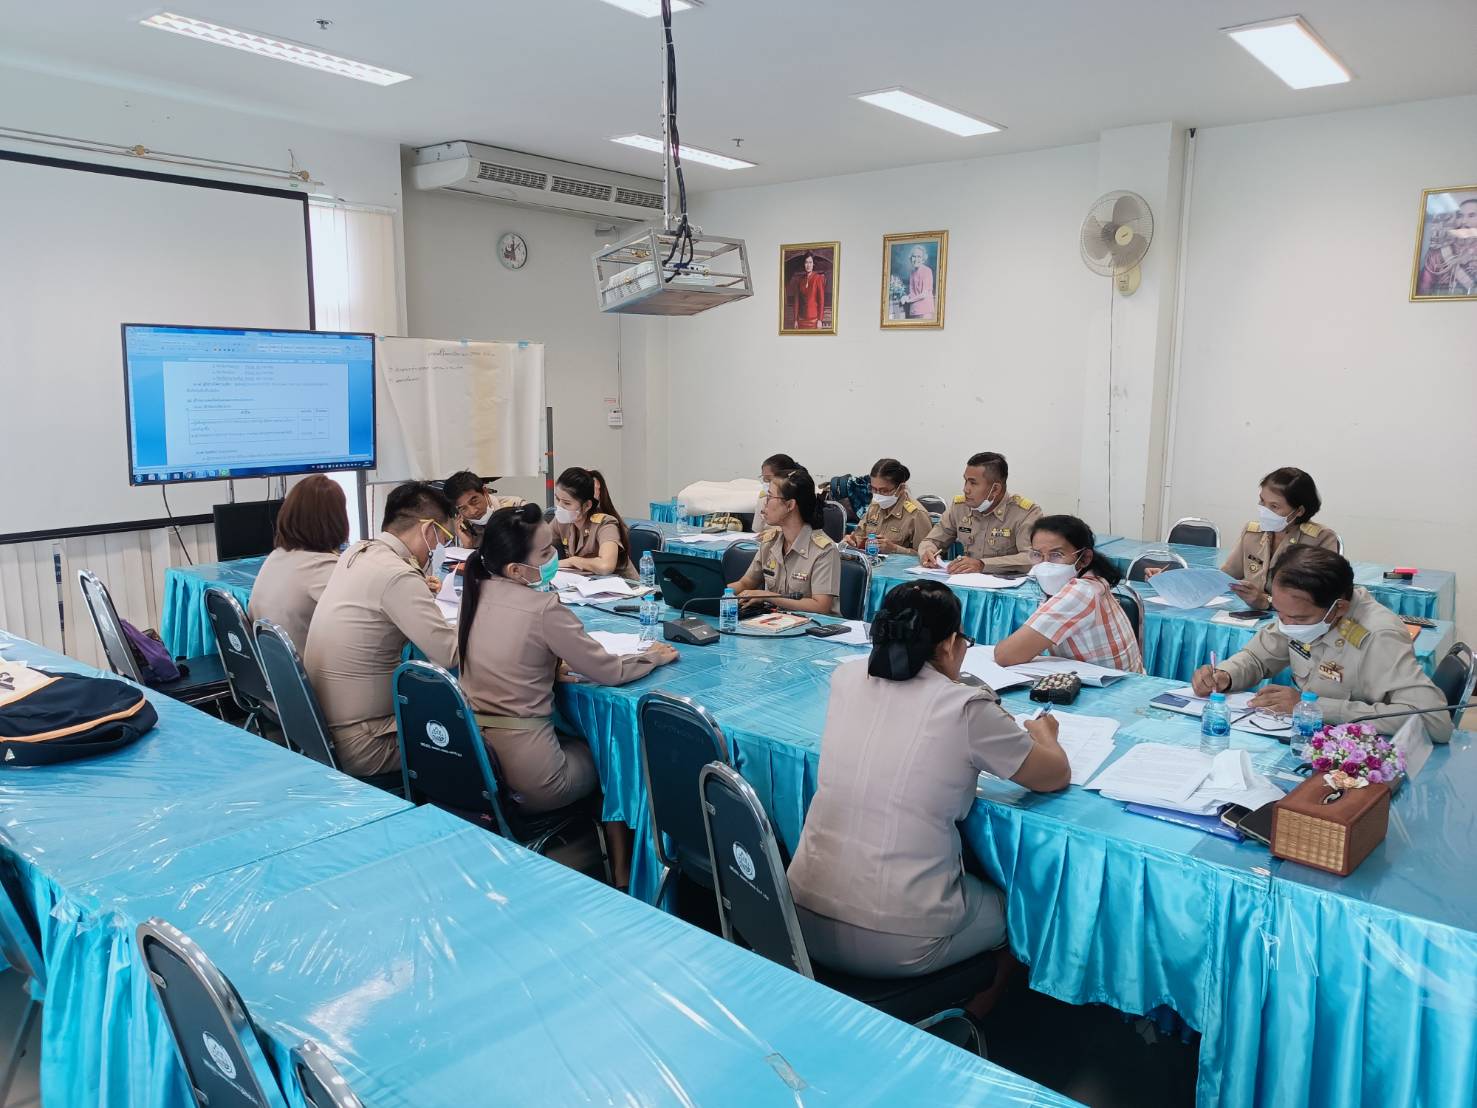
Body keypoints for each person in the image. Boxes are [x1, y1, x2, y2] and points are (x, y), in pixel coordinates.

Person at [787, 581, 1069, 982]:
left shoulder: (846, 678)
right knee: (1024, 906)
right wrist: (1046, 737)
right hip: (898, 938)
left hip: (799, 914)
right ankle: (967, 1020)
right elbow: (1053, 776)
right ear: (952, 643)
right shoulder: (964, 706)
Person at [458, 503, 679, 887]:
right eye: (545, 554)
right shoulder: (543, 607)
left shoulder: (477, 592)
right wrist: (651, 658)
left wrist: (548, 667)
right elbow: (608, 670)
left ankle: (618, 864)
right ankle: (628, 874)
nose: (554, 559)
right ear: (515, 570)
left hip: (478, 757)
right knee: (616, 754)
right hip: (534, 774)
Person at [1192, 547, 1453, 743]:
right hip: (1306, 741)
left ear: (1339, 608)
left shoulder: (1378, 635)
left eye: (1298, 618)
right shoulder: (1297, 611)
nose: (1286, 623)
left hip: (1355, 758)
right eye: (1280, 612)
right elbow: (1258, 658)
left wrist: (1315, 708)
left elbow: (1434, 721)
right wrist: (1225, 675)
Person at [302, 482, 459, 776]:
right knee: (484, 738)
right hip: (368, 742)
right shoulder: (398, 575)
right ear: (428, 530)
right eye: (444, 538)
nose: (440, 549)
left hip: (322, 733)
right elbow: (449, 653)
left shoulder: (356, 552)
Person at [993, 515, 1145, 673]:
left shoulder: (1081, 592)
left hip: (1110, 691)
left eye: (1056, 555)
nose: (1045, 564)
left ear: (1084, 558)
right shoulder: (1092, 581)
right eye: (1038, 555)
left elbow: (1005, 655)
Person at [247, 475, 348, 654]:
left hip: (278, 673)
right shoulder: (323, 568)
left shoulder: (276, 557)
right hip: (314, 676)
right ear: (337, 520)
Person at [1221, 467, 1339, 610]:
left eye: (1274, 506)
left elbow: (1321, 596)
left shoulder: (1321, 539)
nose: (1264, 510)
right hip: (1249, 614)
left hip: (1296, 620)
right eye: (1262, 501)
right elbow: (1228, 573)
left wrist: (1267, 601)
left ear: (1299, 511)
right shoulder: (1252, 532)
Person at [729, 466, 840, 615]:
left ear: (790, 505)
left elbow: (820, 606)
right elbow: (746, 583)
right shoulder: (770, 541)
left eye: (769, 497)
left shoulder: (824, 550)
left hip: (815, 630)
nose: (764, 504)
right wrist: (720, 593)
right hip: (777, 624)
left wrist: (769, 597)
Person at [918, 452, 1041, 575]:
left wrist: (982, 564)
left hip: (1007, 587)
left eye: (973, 483)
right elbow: (931, 541)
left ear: (995, 489)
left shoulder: (1026, 513)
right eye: (965, 481)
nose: (965, 489)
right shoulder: (960, 507)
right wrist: (928, 552)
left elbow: (1032, 558)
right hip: (964, 581)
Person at [552, 467, 634, 579]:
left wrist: (573, 561)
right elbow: (537, 545)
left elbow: (605, 566)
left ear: (587, 506)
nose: (560, 507)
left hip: (625, 590)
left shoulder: (606, 524)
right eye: (558, 499)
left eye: (567, 503)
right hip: (587, 587)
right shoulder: (563, 521)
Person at [843, 458, 931, 554]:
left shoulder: (917, 514)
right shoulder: (875, 505)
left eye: (884, 491)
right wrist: (853, 541)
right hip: (872, 563)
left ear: (900, 488)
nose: (878, 495)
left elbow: (926, 556)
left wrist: (894, 549)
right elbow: (860, 536)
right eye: (873, 489)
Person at [444, 470, 524, 547]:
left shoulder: (517, 506)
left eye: (474, 501)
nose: (473, 511)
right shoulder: (461, 528)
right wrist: (467, 546)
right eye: (463, 508)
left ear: (485, 492)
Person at [1417, 197, 1477, 297]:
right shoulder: (1437, 254)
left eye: (1471, 216)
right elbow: (1423, 291)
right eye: (1460, 216)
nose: (1463, 222)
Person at [786, 251, 827, 329]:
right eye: (806, 262)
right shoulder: (799, 280)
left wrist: (820, 320)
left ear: (813, 264)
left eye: (810, 262)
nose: (808, 265)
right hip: (801, 320)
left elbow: (821, 300)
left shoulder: (818, 278)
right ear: (804, 264)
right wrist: (795, 320)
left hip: (814, 321)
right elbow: (796, 301)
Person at [897, 244, 935, 320]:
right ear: (911, 258)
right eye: (914, 256)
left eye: (919, 257)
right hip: (914, 310)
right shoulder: (912, 273)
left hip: (925, 311)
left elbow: (924, 294)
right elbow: (912, 293)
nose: (916, 259)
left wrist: (909, 300)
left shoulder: (927, 271)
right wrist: (905, 297)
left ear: (923, 259)